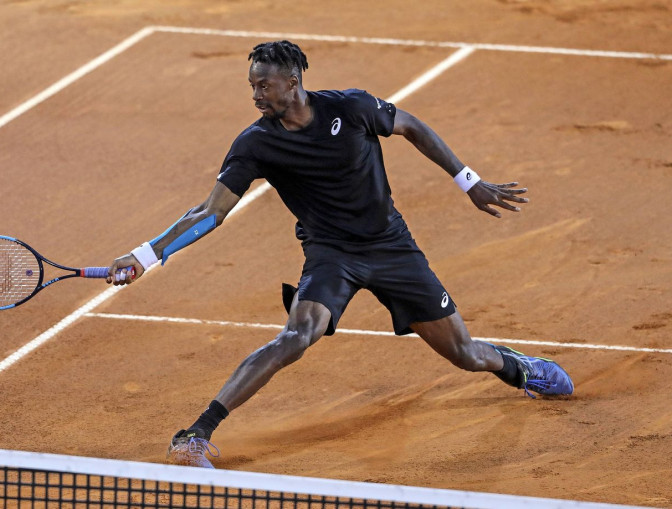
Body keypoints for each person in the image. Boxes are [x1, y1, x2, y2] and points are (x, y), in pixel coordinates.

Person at [106, 40, 573, 469]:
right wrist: (145, 255)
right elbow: (210, 211)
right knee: (296, 336)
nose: (255, 96)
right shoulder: (256, 143)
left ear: (293, 82)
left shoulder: (351, 108)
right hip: (331, 254)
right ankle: (195, 434)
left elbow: (411, 126)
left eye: (263, 85)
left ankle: (520, 369)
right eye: (251, 86)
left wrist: (469, 181)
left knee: (464, 354)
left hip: (392, 248)